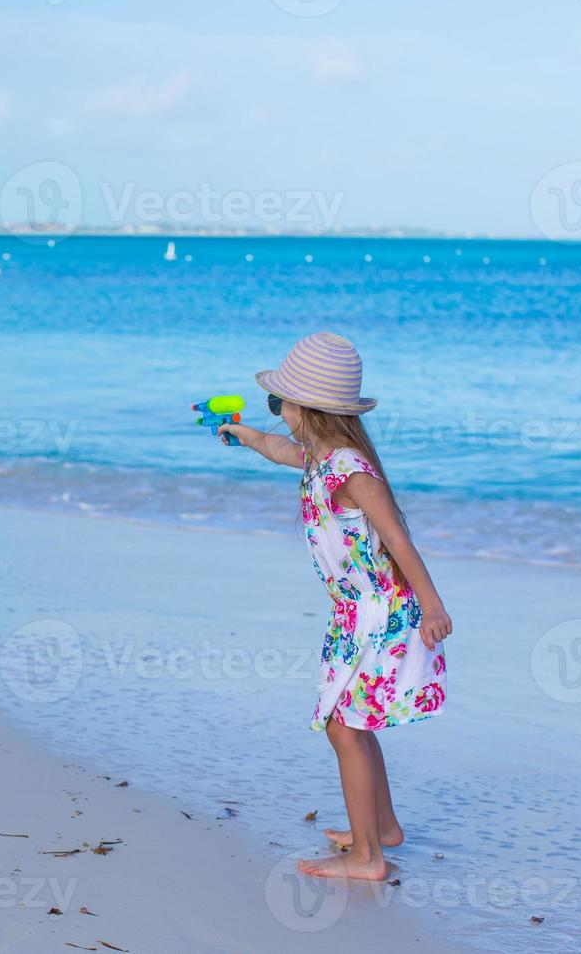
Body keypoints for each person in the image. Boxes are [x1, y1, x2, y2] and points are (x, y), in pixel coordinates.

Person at [218, 332, 453, 882]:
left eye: (279, 404)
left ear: (307, 408)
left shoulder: (351, 472)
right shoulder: (320, 457)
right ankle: (383, 828)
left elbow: (398, 540)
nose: (277, 412)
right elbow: (283, 451)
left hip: (380, 614)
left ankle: (368, 857)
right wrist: (246, 435)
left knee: (344, 727)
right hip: (353, 615)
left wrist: (433, 605)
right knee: (353, 722)